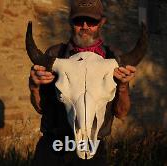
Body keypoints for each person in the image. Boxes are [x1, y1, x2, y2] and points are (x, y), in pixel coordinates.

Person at [28, 0, 146, 165]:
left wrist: (123, 86)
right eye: (78, 21)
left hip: (94, 147)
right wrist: (34, 87)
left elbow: (121, 113)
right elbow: (41, 108)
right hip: (54, 146)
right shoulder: (54, 54)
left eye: (92, 21)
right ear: (70, 22)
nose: (85, 26)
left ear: (101, 22)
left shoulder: (113, 58)